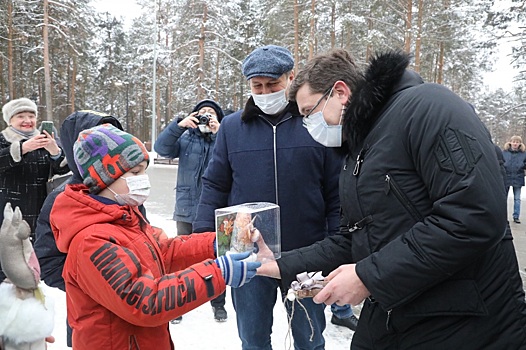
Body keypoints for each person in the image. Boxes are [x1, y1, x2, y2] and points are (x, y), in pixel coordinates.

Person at [257, 49, 526, 349]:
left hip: (465, 318)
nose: (307, 125)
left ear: (341, 92)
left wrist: (368, 277)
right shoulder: (357, 151)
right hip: (398, 311)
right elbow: (352, 240)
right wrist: (280, 264)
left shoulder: (429, 108)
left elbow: (473, 215)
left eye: (309, 112)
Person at [49, 124, 260, 350]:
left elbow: (163, 253)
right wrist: (217, 273)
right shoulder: (92, 240)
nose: (143, 179)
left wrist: (215, 244)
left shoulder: (124, 216)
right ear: (104, 179)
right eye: (135, 172)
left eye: (144, 171)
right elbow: (144, 301)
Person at [193, 45, 342, 349]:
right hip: (248, 256)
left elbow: (335, 190)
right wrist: (202, 236)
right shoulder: (233, 128)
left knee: (310, 337)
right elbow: (214, 185)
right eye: (257, 86)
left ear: (291, 77)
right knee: (253, 339)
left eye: (272, 84)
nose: (264, 92)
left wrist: (338, 241)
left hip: (307, 256)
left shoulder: (313, 121)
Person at [33, 110, 129, 347]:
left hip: (135, 311)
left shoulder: (126, 191)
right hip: (91, 318)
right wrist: (92, 285)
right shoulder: (61, 200)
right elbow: (48, 262)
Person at [154, 99, 227, 323]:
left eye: (211, 113)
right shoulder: (185, 138)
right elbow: (161, 148)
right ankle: (178, 304)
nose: (205, 116)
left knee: (218, 256)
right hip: (186, 207)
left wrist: (220, 132)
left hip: (217, 209)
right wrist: (178, 126)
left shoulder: (224, 138)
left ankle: (219, 304)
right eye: (201, 113)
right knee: (181, 257)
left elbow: (230, 158)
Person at [0, 97, 69, 283]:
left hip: (39, 204)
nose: (27, 120)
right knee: (8, 247)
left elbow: (63, 170)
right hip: (8, 205)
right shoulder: (3, 139)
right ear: (10, 120)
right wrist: (21, 148)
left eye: (31, 116)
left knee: (36, 247)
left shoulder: (44, 139)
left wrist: (55, 151)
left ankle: (35, 283)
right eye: (21, 116)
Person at [503, 135, 526, 223]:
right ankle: (503, 216)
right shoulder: (504, 152)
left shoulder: (523, 154)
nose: (515, 143)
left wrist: (522, 166)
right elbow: (501, 162)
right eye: (513, 141)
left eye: (517, 142)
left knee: (517, 199)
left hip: (518, 178)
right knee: (503, 198)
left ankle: (516, 216)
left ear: (520, 143)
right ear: (510, 142)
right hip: (506, 177)